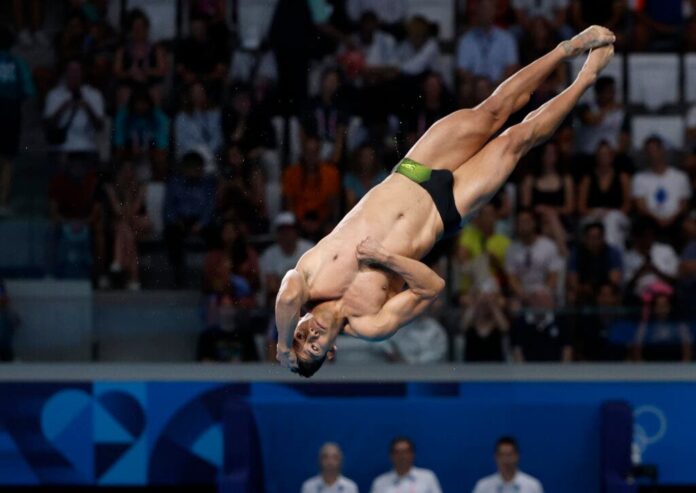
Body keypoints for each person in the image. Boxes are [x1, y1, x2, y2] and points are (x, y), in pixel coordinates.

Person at [275, 27, 616, 376]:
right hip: (446, 209)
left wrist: (284, 345)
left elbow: (286, 296)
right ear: (330, 353)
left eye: (300, 337)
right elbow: (433, 287)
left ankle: (567, 49)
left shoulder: (308, 277)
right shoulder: (371, 325)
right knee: (516, 139)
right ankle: (585, 78)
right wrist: (386, 258)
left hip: (414, 170)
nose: (309, 338)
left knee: (492, 112)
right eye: (313, 348)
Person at [163, 151, 217, 286]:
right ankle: (178, 274)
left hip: (200, 222)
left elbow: (210, 207)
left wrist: (201, 224)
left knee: (215, 233)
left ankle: (212, 274)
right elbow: (168, 208)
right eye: (193, 167)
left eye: (199, 167)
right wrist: (176, 221)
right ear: (185, 167)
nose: (197, 170)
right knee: (171, 233)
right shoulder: (174, 183)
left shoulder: (208, 184)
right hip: (180, 221)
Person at [0, 25, 35, 217]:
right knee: (7, 159)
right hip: (10, 113)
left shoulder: (17, 62)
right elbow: (29, 91)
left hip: (8, 111)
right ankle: (2, 201)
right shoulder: (17, 62)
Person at [631, 136, 691, 240]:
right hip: (650, 220)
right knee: (641, 225)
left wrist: (671, 219)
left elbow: (684, 205)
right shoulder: (639, 178)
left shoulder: (680, 176)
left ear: (662, 151)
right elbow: (640, 206)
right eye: (648, 151)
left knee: (688, 226)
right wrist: (657, 219)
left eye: (654, 150)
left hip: (676, 219)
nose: (652, 154)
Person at [43, 58, 105, 159]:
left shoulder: (94, 95)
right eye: (70, 71)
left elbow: (100, 127)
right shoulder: (54, 95)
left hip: (87, 148)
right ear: (65, 73)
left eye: (77, 71)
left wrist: (87, 107)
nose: (74, 74)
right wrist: (63, 107)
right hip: (61, 148)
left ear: (82, 73)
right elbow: (47, 125)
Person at [104, 161, 151, 290]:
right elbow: (117, 211)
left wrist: (128, 195)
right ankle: (134, 279)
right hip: (124, 226)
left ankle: (118, 260)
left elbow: (133, 211)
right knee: (127, 234)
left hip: (140, 223)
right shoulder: (111, 188)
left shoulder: (140, 188)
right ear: (118, 173)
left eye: (130, 171)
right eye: (124, 171)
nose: (127, 174)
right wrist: (122, 194)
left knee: (124, 227)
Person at [505, 209, 564, 304]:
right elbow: (512, 277)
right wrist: (522, 293)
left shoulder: (549, 246)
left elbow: (553, 276)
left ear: (534, 223)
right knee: (513, 306)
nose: (523, 225)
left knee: (542, 300)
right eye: (520, 222)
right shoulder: (512, 249)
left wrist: (544, 291)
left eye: (526, 221)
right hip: (522, 292)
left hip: (544, 291)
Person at [456, 0, 520, 85]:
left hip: (499, 86)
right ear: (477, 11)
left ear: (495, 11)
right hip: (474, 86)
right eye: (482, 9)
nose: (485, 12)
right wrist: (478, 84)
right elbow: (462, 69)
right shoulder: (466, 40)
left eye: (489, 9)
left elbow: (512, 66)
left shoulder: (507, 38)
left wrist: (498, 86)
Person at [259, 212, 314, 307]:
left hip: (306, 299)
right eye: (282, 231)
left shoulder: (309, 249)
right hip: (279, 303)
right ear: (277, 234)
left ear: (296, 231)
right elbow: (271, 286)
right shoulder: (269, 255)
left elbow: (314, 279)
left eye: (289, 230)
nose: (286, 234)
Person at [567, 222, 622, 306]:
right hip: (584, 289)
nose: (594, 241)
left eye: (597, 238)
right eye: (591, 238)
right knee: (572, 295)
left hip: (603, 288)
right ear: (585, 238)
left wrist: (596, 288)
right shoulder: (577, 253)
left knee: (607, 293)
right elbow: (573, 281)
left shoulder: (612, 252)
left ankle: (609, 319)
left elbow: (615, 280)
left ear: (603, 238)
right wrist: (584, 288)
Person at [512, 288, 573, 362]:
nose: (541, 303)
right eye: (537, 299)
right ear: (531, 301)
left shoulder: (561, 322)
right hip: (528, 370)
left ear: (551, 302)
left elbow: (567, 350)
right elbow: (517, 351)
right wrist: (522, 371)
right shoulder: (520, 322)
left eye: (545, 299)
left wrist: (564, 371)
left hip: (556, 370)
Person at [174, 82, 223, 167]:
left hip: (211, 158)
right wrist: (201, 153)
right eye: (195, 93)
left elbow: (218, 137)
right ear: (190, 95)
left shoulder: (215, 114)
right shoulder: (182, 118)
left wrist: (207, 153)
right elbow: (183, 142)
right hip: (190, 159)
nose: (198, 95)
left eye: (201, 92)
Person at [472, 437, 544, 493]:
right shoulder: (483, 487)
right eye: (502, 455)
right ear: (496, 457)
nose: (505, 460)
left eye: (509, 455)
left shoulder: (532, 486)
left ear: (517, 456)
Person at [371, 437, 442, 493]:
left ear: (412, 454)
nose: (402, 456)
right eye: (397, 452)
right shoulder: (380, 482)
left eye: (405, 452)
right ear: (391, 456)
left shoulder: (428, 477)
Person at [461, 292, 510, 362]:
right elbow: (463, 326)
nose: (483, 309)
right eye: (481, 306)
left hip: (496, 367)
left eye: (485, 306)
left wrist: (491, 304)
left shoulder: (497, 325)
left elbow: (505, 327)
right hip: (471, 367)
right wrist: (476, 303)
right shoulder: (470, 325)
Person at [343, 145, 388, 210]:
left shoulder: (383, 177)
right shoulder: (350, 178)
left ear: (375, 158)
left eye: (370, 156)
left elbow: (385, 203)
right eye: (364, 156)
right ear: (358, 158)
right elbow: (351, 205)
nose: (367, 159)